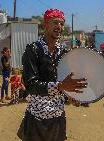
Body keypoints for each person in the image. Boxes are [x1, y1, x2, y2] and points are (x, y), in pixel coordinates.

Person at [22, 8, 87, 141]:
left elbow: (65, 82)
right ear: (45, 25)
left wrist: (71, 96)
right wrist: (61, 86)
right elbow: (31, 85)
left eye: (62, 23)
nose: (59, 27)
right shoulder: (33, 50)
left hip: (58, 116)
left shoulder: (63, 52)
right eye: (55, 22)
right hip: (37, 117)